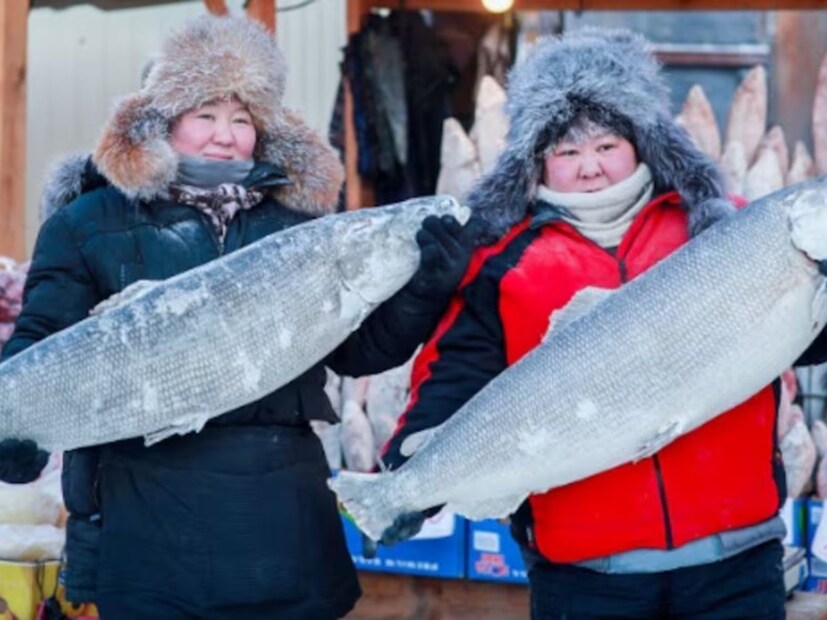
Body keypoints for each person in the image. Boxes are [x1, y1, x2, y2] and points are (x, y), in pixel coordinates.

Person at [0, 15, 471, 620]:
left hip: (282, 521)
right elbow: (44, 337)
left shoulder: (299, 225)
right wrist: (17, 421)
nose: (225, 137)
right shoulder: (88, 222)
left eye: (242, 119)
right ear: (164, 119)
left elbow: (358, 352)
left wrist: (420, 291)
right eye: (205, 115)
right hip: (147, 519)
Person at [380, 28, 827, 619]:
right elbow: (454, 372)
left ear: (642, 143)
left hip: (735, 567)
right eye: (567, 153)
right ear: (536, 162)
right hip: (587, 578)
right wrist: (411, 471)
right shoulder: (503, 266)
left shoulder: (723, 231)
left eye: (607, 146)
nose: (589, 168)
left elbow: (809, 342)